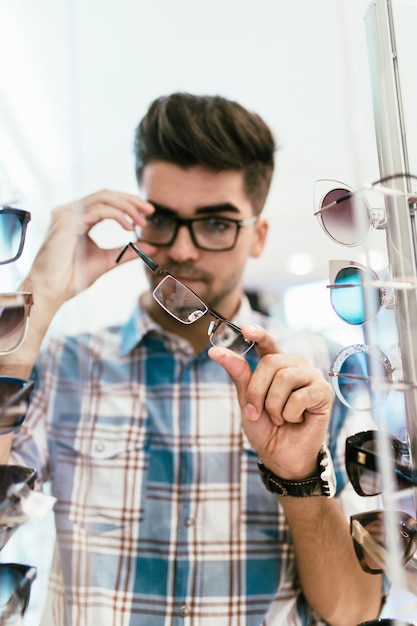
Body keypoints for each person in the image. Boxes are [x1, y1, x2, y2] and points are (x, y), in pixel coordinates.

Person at [0, 93, 383, 625]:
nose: (181, 250)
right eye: (160, 220)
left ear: (258, 238)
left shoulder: (322, 372)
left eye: (217, 224)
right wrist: (35, 300)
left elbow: (354, 611)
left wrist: (298, 481)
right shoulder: (61, 364)